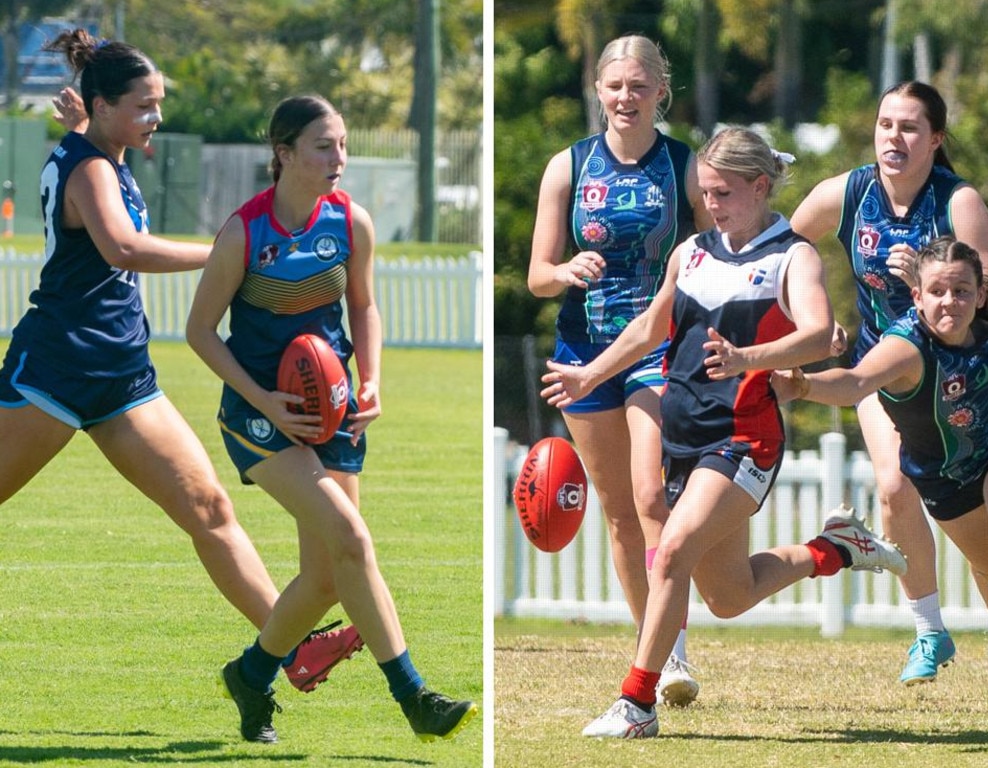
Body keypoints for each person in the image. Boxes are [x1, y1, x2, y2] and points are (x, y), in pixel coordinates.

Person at [0, 29, 357, 698]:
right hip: (54, 370)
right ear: (105, 107)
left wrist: (84, 123)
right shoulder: (91, 167)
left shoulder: (100, 146)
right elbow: (124, 249)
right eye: (144, 105)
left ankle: (294, 652)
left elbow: (94, 152)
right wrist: (227, 248)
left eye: (158, 103)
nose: (156, 117)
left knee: (210, 509)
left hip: (122, 376)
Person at [541, 127, 908, 739]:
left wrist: (750, 359)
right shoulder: (692, 252)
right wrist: (589, 375)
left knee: (673, 550)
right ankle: (836, 547)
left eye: (722, 192)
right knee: (729, 597)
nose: (710, 203)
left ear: (759, 187)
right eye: (706, 192)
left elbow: (819, 333)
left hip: (744, 440)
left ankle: (636, 704)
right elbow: (648, 330)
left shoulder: (792, 255)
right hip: (685, 436)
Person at [186, 94, 477, 744]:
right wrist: (261, 399)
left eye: (342, 144)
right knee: (351, 538)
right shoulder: (245, 232)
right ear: (284, 154)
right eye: (325, 145)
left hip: (333, 413)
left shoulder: (351, 222)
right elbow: (199, 332)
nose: (339, 157)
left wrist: (370, 378)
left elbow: (365, 307)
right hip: (258, 418)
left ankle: (251, 673)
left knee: (325, 575)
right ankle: (415, 697)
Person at [790, 80, 988, 687]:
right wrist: (814, 316)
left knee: (983, 532)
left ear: (935, 140)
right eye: (886, 123)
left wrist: (927, 274)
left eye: (910, 127)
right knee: (893, 487)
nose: (894, 136)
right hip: (885, 368)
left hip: (963, 375)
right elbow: (783, 249)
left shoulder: (958, 201)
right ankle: (929, 631)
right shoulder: (847, 192)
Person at [527, 34, 712, 707]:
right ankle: (651, 651)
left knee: (651, 497)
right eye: (616, 86)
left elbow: (720, 240)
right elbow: (537, 276)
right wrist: (565, 269)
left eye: (640, 86)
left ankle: (675, 650)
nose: (626, 98)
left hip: (659, 347)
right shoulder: (568, 167)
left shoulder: (684, 166)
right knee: (616, 514)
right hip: (583, 353)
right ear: (598, 91)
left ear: (662, 92)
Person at [772, 236, 988, 698]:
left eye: (963, 291)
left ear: (981, 294)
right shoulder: (906, 347)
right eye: (938, 292)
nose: (951, 302)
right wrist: (802, 386)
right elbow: (853, 383)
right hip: (943, 474)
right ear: (917, 296)